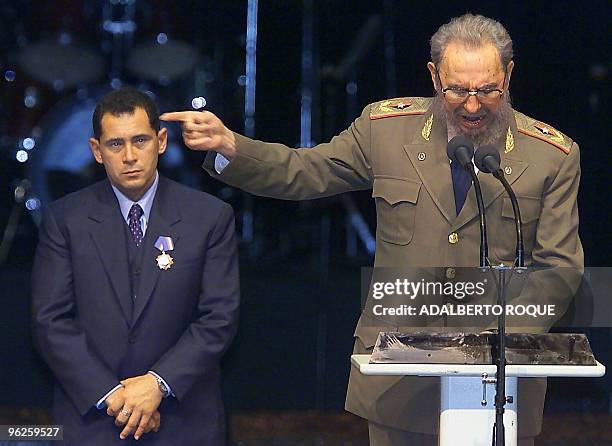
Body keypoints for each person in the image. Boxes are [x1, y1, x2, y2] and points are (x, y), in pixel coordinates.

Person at [162, 13, 583, 446]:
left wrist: (491, 339)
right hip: (398, 376)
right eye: (457, 89)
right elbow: (307, 171)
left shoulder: (552, 155)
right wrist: (232, 146)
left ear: (509, 76)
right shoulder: (386, 129)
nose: (472, 105)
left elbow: (560, 270)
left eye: (488, 90)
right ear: (434, 77)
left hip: (498, 384)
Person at [32, 87, 240, 445]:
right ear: (97, 151)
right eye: (115, 144)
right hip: (93, 417)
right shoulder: (64, 219)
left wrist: (158, 384)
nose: (130, 156)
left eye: (140, 140)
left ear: (161, 141)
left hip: (184, 418)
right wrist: (113, 396)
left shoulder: (209, 217)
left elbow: (219, 316)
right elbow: (50, 320)